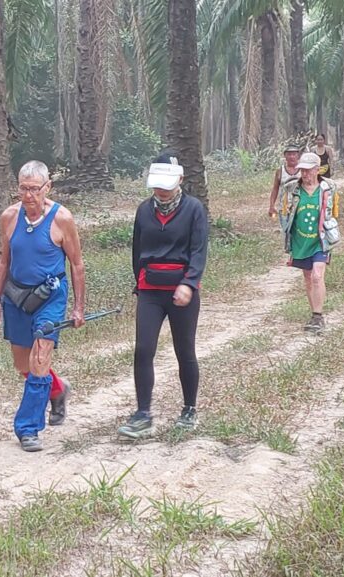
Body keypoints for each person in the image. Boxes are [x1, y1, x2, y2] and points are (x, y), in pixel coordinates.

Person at [0, 161, 86, 452]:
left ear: (47, 188)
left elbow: (77, 264)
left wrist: (78, 307)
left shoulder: (62, 218)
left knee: (39, 358)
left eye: (34, 189)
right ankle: (58, 389)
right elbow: (4, 261)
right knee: (23, 364)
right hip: (17, 296)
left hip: (50, 297)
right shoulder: (9, 217)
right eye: (23, 188)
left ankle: (28, 428)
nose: (28, 195)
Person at [117, 151, 208, 439]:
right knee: (143, 349)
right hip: (150, 290)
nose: (162, 191)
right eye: (157, 185)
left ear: (180, 179)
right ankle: (143, 413)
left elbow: (199, 251)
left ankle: (189, 409)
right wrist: (139, 283)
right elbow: (137, 251)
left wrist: (189, 283)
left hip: (182, 289)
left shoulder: (194, 209)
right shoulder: (144, 211)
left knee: (185, 351)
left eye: (166, 185)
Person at [279, 152, 339, 333]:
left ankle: (318, 316)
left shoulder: (328, 188)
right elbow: (284, 212)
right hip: (300, 240)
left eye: (308, 170)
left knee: (317, 276)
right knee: (307, 277)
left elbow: (333, 212)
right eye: (302, 170)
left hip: (320, 240)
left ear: (317, 169)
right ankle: (314, 314)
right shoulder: (292, 189)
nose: (304, 174)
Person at [268, 142, 303, 225]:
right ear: (285, 156)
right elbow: (275, 189)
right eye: (289, 154)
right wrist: (271, 206)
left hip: (300, 206)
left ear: (298, 156)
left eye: (294, 154)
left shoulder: (303, 170)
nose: (292, 157)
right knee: (286, 230)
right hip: (284, 207)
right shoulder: (280, 171)